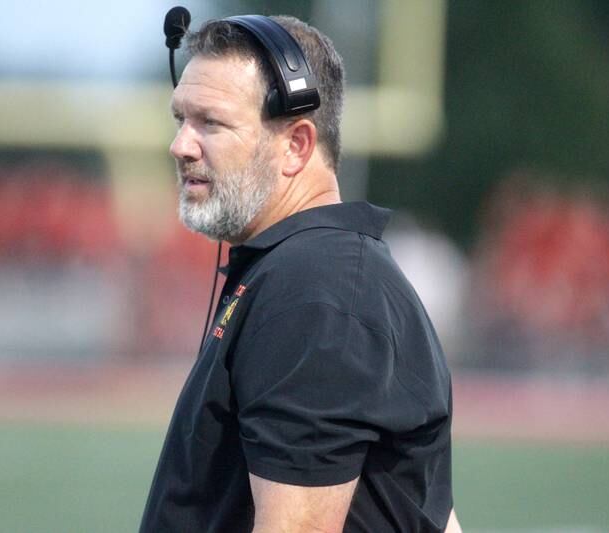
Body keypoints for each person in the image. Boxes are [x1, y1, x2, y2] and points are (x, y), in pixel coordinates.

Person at [140, 14, 460, 533]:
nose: (181, 145)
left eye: (211, 123)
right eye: (181, 119)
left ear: (296, 145)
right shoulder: (322, 274)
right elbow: (429, 510)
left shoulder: (314, 289)